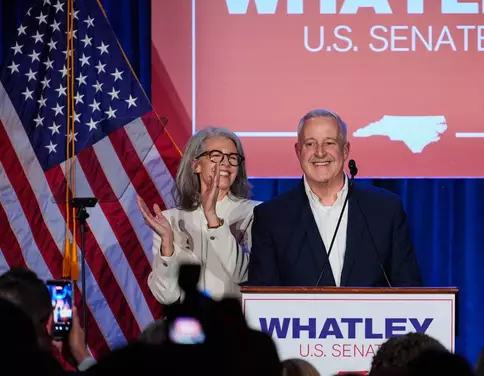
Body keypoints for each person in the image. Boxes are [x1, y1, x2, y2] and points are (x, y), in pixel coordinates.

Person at [247, 109, 421, 287]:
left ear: (345, 150)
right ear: (298, 151)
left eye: (329, 143)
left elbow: (410, 289)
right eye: (310, 144)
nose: (320, 152)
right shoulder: (272, 217)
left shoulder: (386, 209)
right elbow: (262, 298)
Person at [138, 127, 260, 304]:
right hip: (189, 328)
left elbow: (242, 274)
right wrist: (167, 243)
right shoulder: (170, 220)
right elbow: (167, 297)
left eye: (233, 158)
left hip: (236, 326)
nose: (225, 163)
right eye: (216, 156)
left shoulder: (256, 213)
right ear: (196, 165)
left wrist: (212, 218)